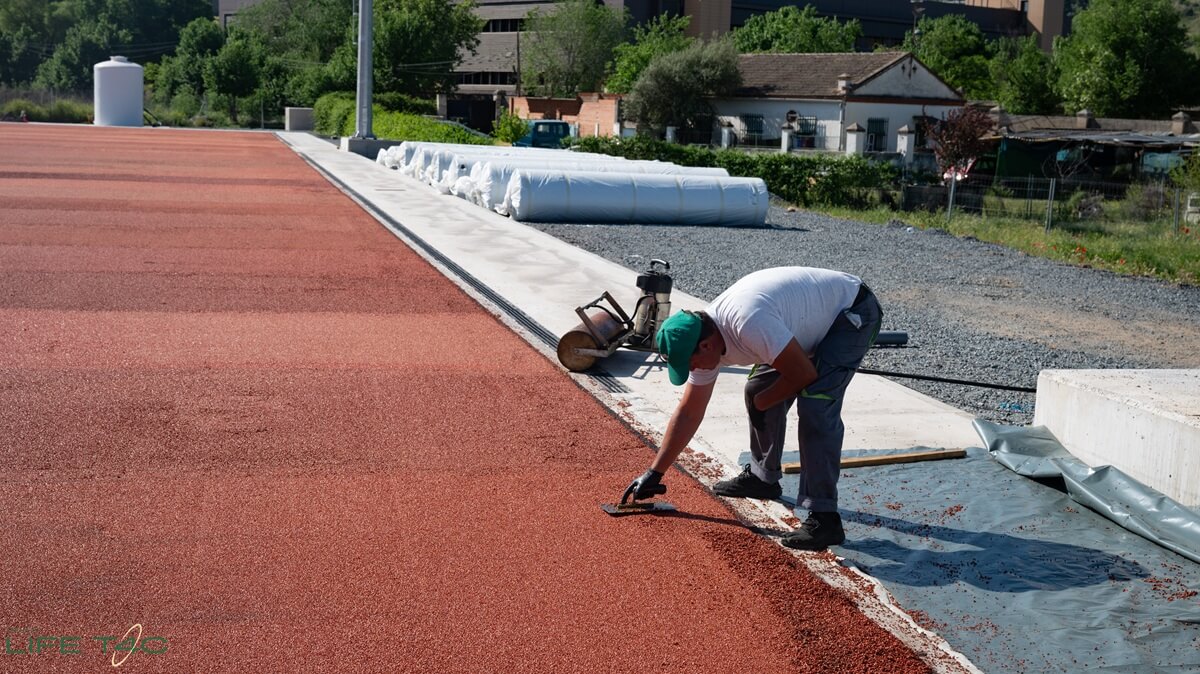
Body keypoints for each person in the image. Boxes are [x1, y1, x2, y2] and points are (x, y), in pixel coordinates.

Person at [621, 266, 882, 550]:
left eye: (690, 363)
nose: (692, 369)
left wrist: (763, 403)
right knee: (758, 388)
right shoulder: (703, 337)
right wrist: (655, 472)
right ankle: (763, 478)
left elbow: (804, 374)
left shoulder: (748, 324)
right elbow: (689, 411)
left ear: (706, 345)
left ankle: (825, 517)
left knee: (816, 406)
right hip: (805, 322)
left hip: (850, 313)